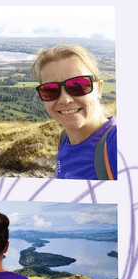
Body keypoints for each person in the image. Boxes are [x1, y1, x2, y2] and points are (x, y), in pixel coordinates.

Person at [30, 45, 116, 180]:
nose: (65, 100)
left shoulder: (115, 143)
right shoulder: (64, 139)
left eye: (78, 85)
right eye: (50, 90)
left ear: (99, 88)